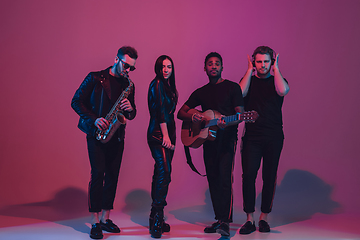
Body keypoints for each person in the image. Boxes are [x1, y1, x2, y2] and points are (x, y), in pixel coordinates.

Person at [71, 46, 138, 239]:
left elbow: (132, 115)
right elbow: (76, 101)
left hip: (116, 135)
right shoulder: (95, 78)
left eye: (132, 68)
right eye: (126, 65)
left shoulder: (128, 85)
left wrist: (130, 108)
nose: (128, 71)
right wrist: (93, 119)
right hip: (97, 133)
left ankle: (106, 218)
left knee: (113, 176)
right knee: (98, 174)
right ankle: (94, 221)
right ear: (116, 59)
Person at [177, 52, 244, 237]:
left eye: (217, 64)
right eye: (210, 64)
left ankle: (225, 222)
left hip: (227, 140)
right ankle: (219, 218)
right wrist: (194, 115)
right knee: (213, 179)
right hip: (209, 140)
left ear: (222, 67)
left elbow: (240, 115)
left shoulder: (232, 88)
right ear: (205, 68)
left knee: (224, 179)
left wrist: (227, 122)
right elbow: (180, 112)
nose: (213, 66)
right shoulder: (201, 92)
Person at [238, 46, 289, 234]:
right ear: (254, 62)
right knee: (249, 176)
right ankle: (250, 219)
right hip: (252, 136)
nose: (262, 65)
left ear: (272, 62)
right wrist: (248, 71)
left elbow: (283, 91)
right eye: (259, 61)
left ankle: (264, 218)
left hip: (274, 136)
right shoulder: (249, 80)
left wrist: (277, 69)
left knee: (269, 177)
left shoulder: (278, 80)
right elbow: (240, 93)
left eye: (266, 61)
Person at [147, 55, 178, 238]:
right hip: (158, 134)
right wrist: (166, 136)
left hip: (169, 134)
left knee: (161, 172)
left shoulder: (168, 85)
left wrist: (171, 136)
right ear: (158, 68)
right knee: (164, 171)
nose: (166, 70)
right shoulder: (157, 83)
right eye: (163, 66)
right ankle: (158, 216)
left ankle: (154, 216)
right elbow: (160, 111)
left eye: (169, 67)